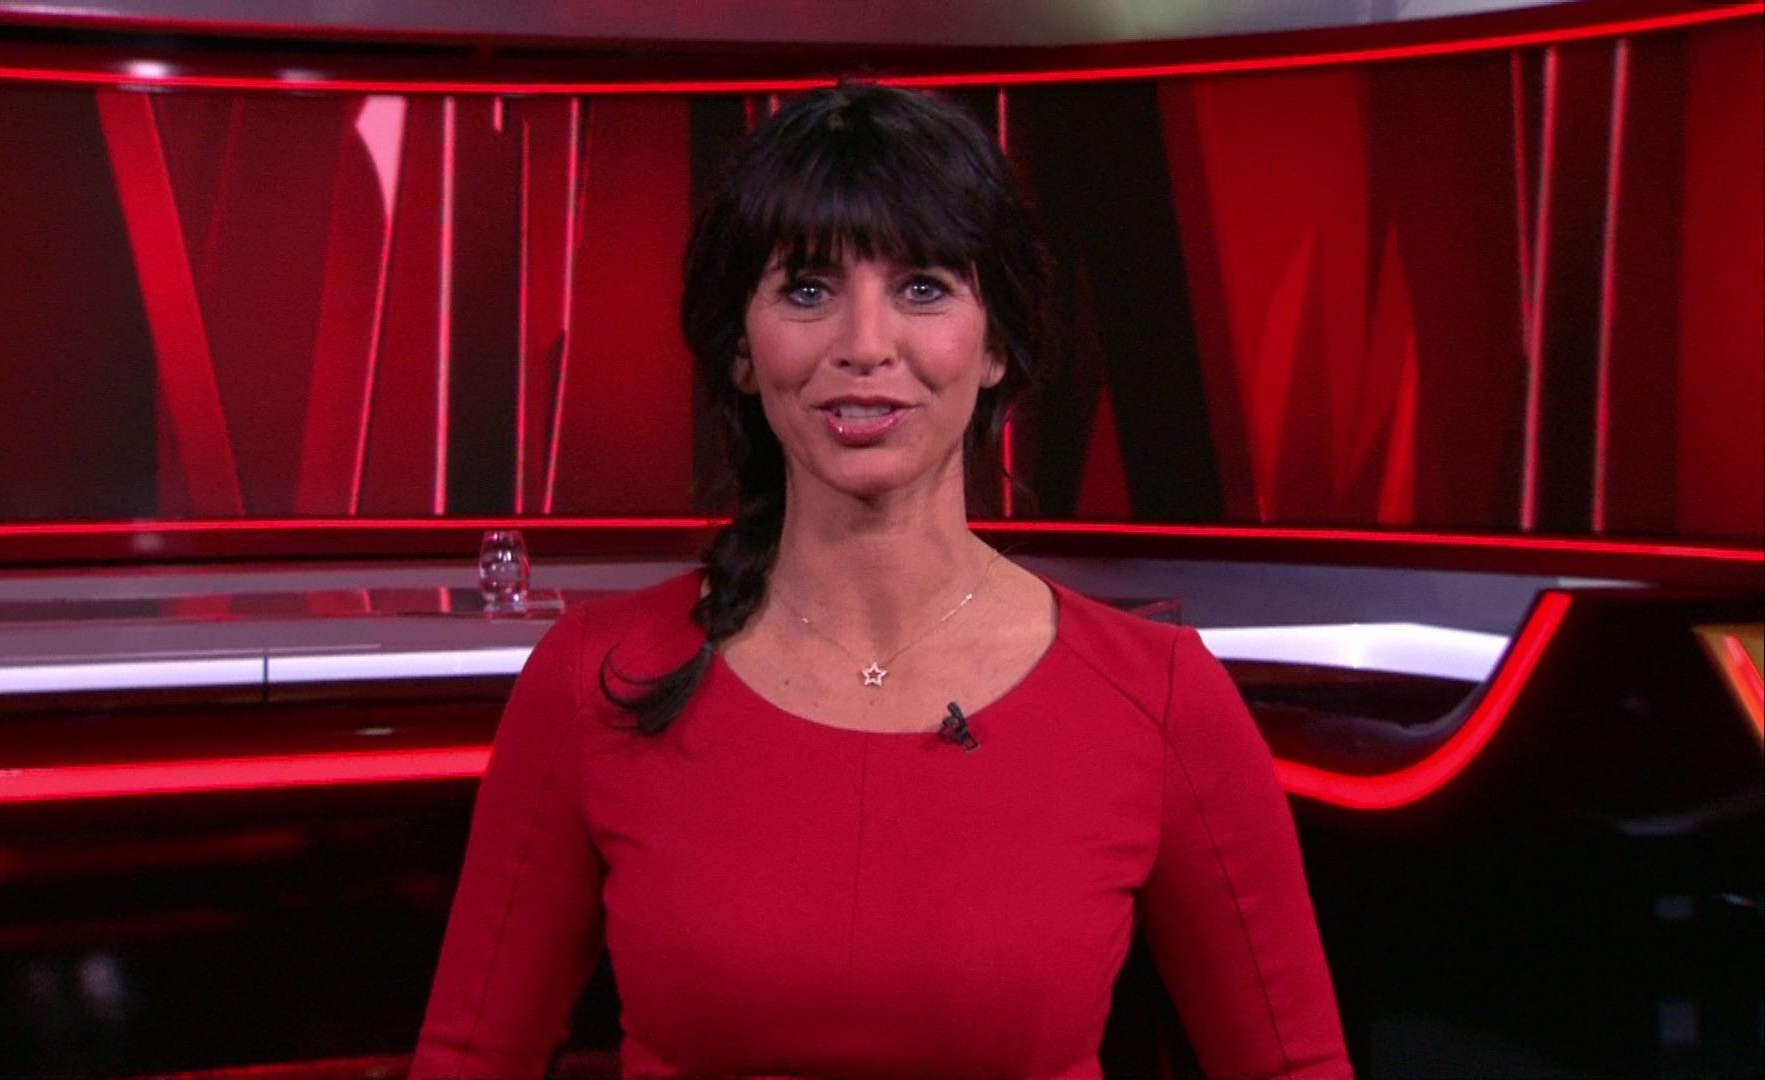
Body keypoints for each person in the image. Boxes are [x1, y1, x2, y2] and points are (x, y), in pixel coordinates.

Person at [412, 82, 1350, 1079]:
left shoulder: (1158, 698)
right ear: (742, 349)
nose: (864, 346)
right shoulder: (597, 679)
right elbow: (468, 1059)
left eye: (923, 288)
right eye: (808, 290)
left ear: (996, 344)